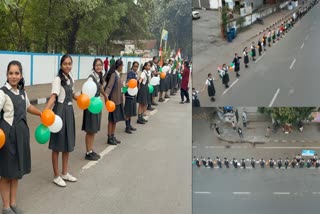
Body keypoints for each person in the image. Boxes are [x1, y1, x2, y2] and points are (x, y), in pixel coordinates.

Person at [0, 61, 42, 214]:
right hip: (8, 137)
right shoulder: (2, 92)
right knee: (6, 173)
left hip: (21, 136)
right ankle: (5, 207)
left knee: (16, 171)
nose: (14, 76)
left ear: (21, 75)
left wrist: (41, 113)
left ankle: (13, 203)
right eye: (11, 73)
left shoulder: (23, 92)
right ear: (7, 75)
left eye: (17, 73)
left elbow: (28, 107)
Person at [45, 55, 78, 187]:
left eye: (69, 64)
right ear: (61, 65)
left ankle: (65, 172)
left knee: (67, 143)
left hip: (69, 112)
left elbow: (74, 95)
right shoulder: (57, 80)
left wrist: (84, 98)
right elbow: (53, 97)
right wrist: (45, 112)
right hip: (59, 113)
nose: (67, 66)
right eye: (65, 64)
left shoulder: (71, 78)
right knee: (57, 145)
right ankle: (56, 175)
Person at [81, 58, 105, 161]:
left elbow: (100, 88)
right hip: (91, 107)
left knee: (93, 130)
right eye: (97, 65)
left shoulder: (98, 76)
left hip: (96, 106)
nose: (99, 67)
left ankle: (91, 150)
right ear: (93, 66)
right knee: (90, 130)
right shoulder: (91, 79)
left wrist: (105, 95)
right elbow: (84, 92)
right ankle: (88, 152)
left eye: (100, 65)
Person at [104, 59, 125, 145]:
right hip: (113, 101)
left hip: (119, 100)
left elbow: (120, 87)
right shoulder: (114, 75)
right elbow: (109, 86)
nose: (122, 67)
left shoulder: (118, 75)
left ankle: (113, 135)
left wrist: (124, 87)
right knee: (111, 120)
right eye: (122, 65)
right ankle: (109, 137)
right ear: (119, 66)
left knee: (115, 120)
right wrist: (106, 97)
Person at [124, 61, 139, 134]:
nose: (136, 68)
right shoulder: (130, 73)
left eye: (137, 66)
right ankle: (127, 127)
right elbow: (129, 81)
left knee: (131, 111)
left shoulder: (135, 73)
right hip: (129, 94)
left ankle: (129, 125)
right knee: (128, 111)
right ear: (132, 66)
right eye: (135, 66)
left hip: (133, 94)